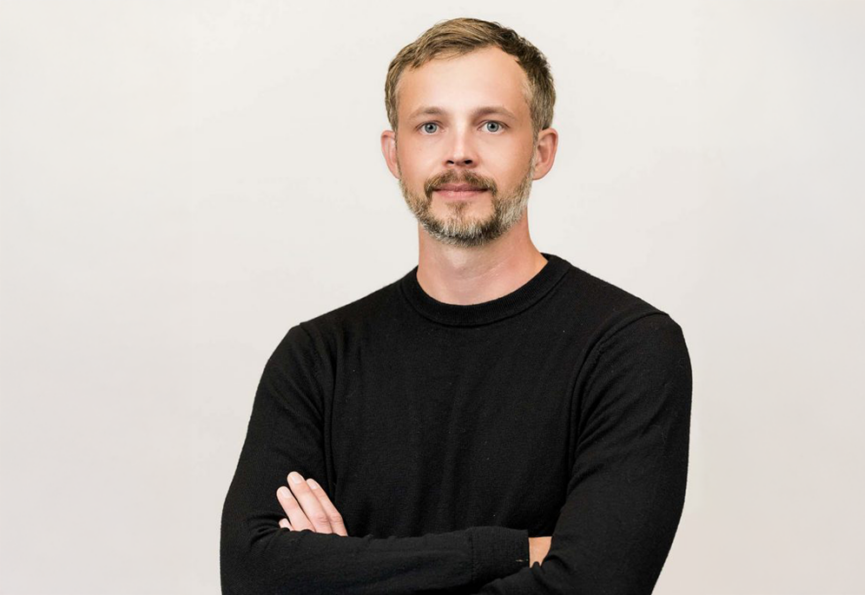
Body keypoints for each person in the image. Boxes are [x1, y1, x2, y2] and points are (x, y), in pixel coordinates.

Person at [220, 17, 692, 594]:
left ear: (541, 152)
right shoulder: (317, 358)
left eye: (492, 125)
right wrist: (508, 552)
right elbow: (251, 575)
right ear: (394, 154)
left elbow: (595, 584)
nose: (459, 153)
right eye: (430, 126)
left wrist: (339, 575)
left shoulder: (628, 348)